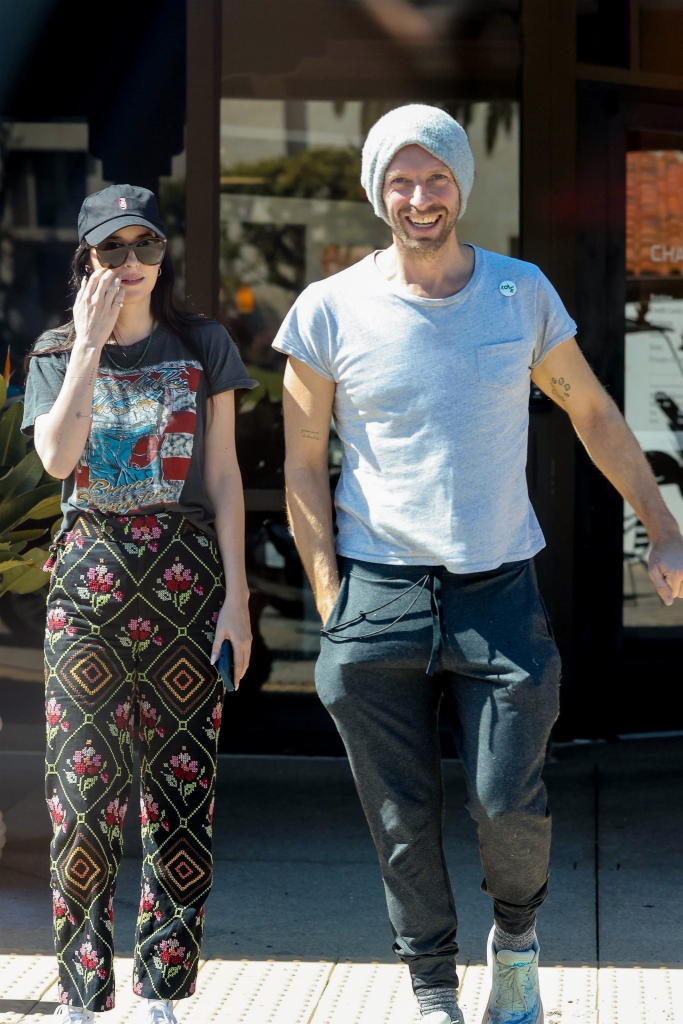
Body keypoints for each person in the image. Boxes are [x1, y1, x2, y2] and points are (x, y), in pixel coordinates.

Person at [274, 106, 683, 1024]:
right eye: (402, 180)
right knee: (399, 821)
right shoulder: (327, 309)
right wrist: (331, 592)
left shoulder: (518, 292)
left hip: (496, 590)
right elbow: (302, 460)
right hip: (376, 592)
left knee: (506, 802)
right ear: (378, 190)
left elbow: (593, 415)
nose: (419, 197)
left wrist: (660, 523)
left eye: (437, 178)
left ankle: (516, 943)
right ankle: (431, 993)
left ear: (462, 184)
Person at [22, 185, 255, 1024]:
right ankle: (84, 997)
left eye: (145, 247)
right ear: (86, 260)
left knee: (181, 794)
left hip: (188, 584)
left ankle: (162, 994)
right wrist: (85, 347)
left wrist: (238, 599)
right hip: (87, 587)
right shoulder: (53, 349)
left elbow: (225, 479)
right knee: (81, 802)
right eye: (111, 250)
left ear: (164, 254)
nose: (130, 265)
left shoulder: (204, 346)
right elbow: (56, 459)